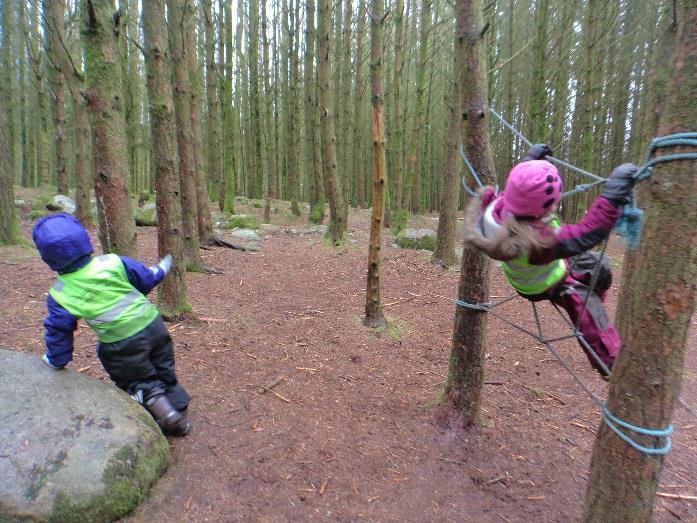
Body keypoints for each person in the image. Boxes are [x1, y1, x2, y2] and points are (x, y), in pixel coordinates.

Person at [464, 144, 638, 376]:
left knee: (601, 266)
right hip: (546, 284)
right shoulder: (537, 241)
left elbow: (517, 189)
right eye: (554, 203)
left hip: (546, 267)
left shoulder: (500, 207)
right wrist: (613, 195)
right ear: (540, 210)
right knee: (587, 307)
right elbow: (588, 233)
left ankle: (595, 292)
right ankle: (611, 363)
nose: (556, 206)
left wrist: (529, 163)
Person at [33, 213, 191, 436]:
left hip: (121, 343)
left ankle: (167, 414)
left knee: (137, 379)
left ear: (48, 258)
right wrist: (161, 269)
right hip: (153, 325)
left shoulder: (60, 293)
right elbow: (145, 278)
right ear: (84, 241)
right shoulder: (112, 261)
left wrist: (56, 359)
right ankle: (177, 402)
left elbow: (60, 331)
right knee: (163, 364)